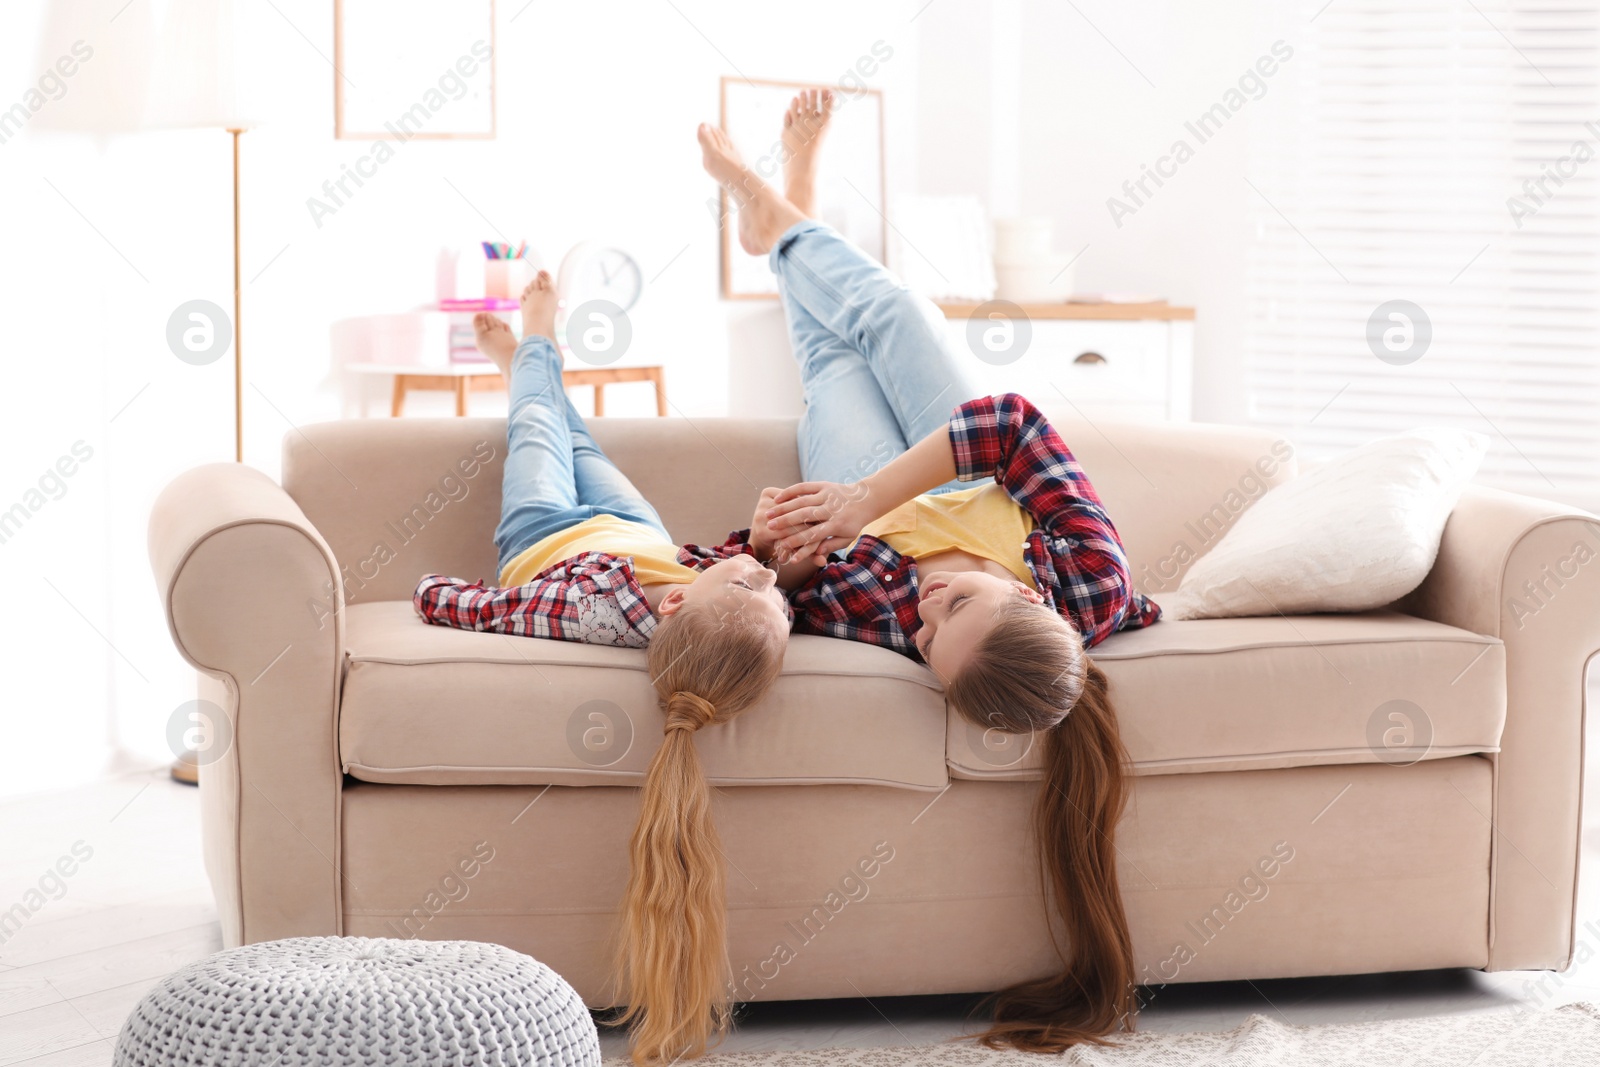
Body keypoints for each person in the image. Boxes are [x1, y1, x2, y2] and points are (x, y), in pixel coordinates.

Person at [698, 91, 1161, 1052]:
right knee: (890, 306)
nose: (919, 614)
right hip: (940, 459)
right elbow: (1012, 425)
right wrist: (866, 502)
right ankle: (773, 211)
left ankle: (787, 206)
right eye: (953, 604)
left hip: (873, 489)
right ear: (1029, 594)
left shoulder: (882, 616)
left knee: (828, 358)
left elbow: (761, 581)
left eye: (924, 641)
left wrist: (766, 548)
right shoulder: (1088, 581)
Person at [410, 271, 795, 1065]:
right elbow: (727, 571)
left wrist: (427, 591)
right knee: (582, 436)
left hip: (545, 530)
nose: (766, 577)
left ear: (678, 610)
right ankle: (532, 357)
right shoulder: (692, 593)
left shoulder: (587, 611)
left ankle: (531, 345)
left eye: (755, 584)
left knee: (541, 432)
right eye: (768, 589)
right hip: (640, 532)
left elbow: (487, 608)